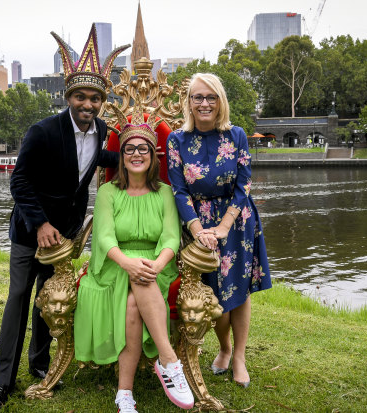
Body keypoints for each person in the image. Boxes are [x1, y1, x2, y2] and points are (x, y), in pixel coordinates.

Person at [0, 25, 127, 413]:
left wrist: (144, 158)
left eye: (95, 98)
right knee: (18, 298)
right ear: (69, 98)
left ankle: (41, 366)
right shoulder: (43, 131)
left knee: (49, 302)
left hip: (65, 237)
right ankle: (2, 384)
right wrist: (40, 224)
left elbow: (108, 161)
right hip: (31, 233)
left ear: (101, 101)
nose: (88, 103)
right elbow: (21, 181)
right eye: (81, 96)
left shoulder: (101, 132)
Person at [73, 101, 194, 412]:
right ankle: (169, 362)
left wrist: (156, 263)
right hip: (113, 264)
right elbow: (104, 237)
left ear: (153, 156)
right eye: (129, 149)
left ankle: (125, 393)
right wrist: (127, 262)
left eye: (144, 149)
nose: (137, 154)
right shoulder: (108, 193)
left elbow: (170, 237)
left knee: (133, 298)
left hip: (157, 264)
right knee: (136, 278)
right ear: (121, 157)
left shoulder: (165, 192)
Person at [167, 73, 272, 389]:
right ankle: (223, 346)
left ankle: (237, 355)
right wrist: (199, 229)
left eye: (211, 97)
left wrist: (224, 226)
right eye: (198, 97)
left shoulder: (237, 135)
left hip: (236, 221)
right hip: (198, 224)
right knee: (211, 293)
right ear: (189, 103)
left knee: (238, 292)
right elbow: (178, 189)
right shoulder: (177, 140)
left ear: (220, 101)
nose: (204, 103)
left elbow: (244, 183)